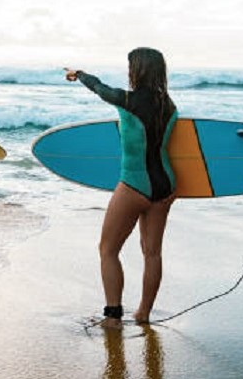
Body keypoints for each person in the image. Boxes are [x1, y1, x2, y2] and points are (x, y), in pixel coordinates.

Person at [65, 47, 178, 328]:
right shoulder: (170, 105)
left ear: (135, 70)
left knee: (108, 250)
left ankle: (113, 317)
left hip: (134, 183)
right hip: (167, 185)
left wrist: (78, 74)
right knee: (152, 253)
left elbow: (98, 87)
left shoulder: (126, 100)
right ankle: (143, 314)